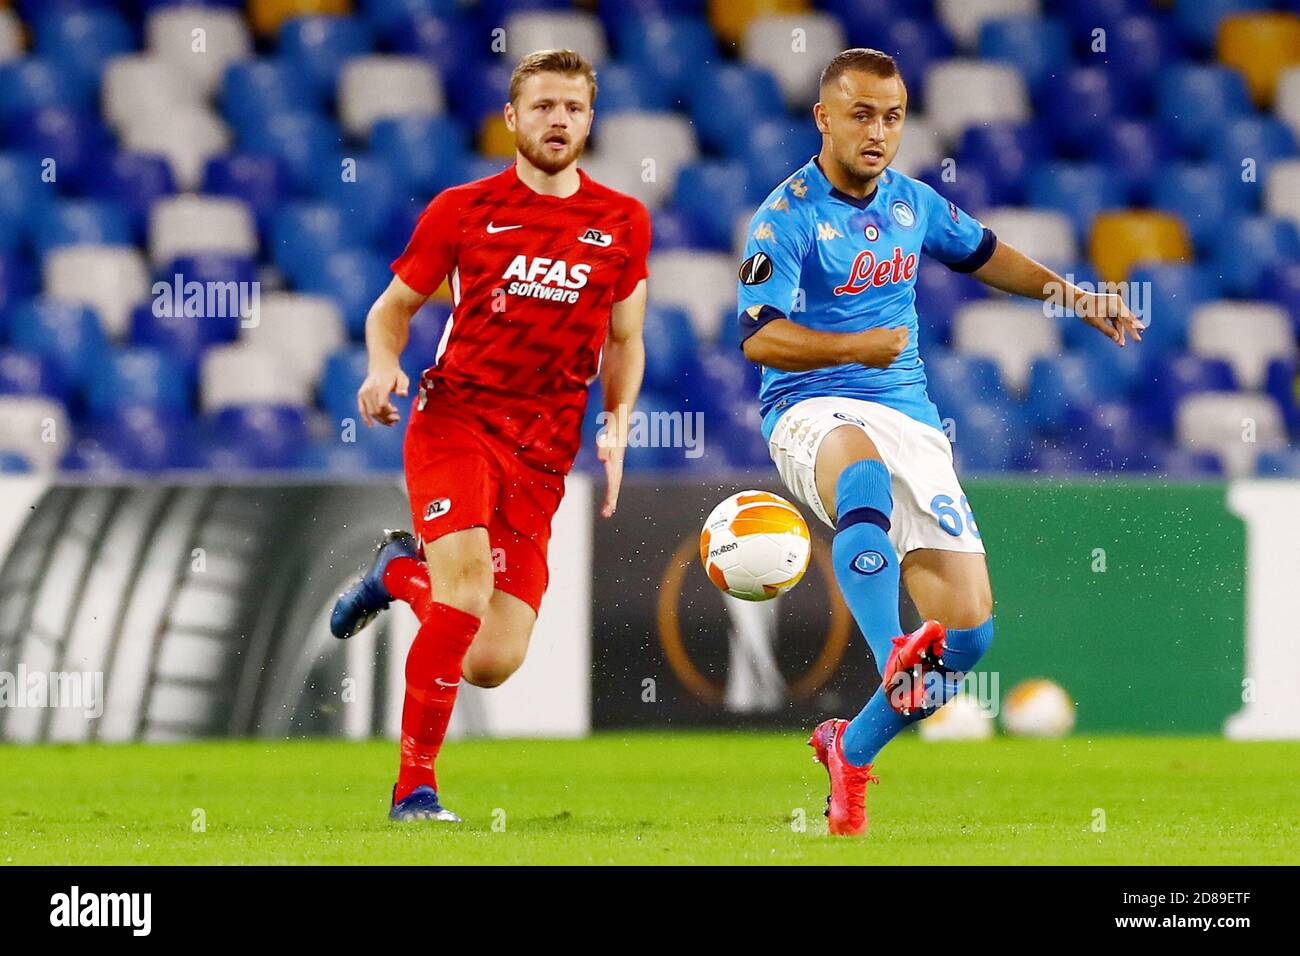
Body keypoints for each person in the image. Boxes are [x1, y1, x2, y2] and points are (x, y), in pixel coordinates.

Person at [735, 48, 1142, 835]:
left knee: (967, 634)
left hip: (910, 419)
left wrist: (1074, 296)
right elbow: (758, 339)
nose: (878, 130)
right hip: (809, 408)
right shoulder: (783, 217)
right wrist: (854, 350)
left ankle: (849, 750)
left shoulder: (912, 203)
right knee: (864, 482)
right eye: (860, 114)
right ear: (824, 117)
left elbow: (986, 254)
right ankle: (892, 648)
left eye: (892, 116)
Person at [330, 49, 651, 822]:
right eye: (542, 106)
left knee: (490, 660)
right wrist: (381, 370)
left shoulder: (623, 222)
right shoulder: (462, 210)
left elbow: (626, 339)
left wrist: (616, 421)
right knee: (467, 590)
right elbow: (389, 311)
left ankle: (396, 573)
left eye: (573, 107)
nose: (558, 120)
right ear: (512, 118)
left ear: (590, 119)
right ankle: (415, 790)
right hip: (458, 419)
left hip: (543, 448)